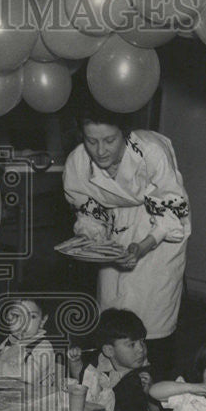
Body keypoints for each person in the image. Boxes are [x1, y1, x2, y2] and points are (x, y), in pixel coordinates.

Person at [62, 101, 191, 378]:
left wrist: (142, 246)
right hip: (116, 235)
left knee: (152, 320)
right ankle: (113, 395)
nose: (100, 150)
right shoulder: (78, 162)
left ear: (125, 133)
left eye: (109, 140)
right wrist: (92, 238)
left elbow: (172, 213)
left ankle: (155, 393)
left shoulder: (151, 151)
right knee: (114, 317)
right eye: (91, 141)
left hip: (157, 233)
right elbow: (88, 211)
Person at [67, 308, 159, 411]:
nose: (141, 349)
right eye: (132, 344)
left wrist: (151, 394)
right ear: (109, 351)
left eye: (142, 341)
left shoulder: (145, 375)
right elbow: (82, 381)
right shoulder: (98, 362)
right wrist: (75, 362)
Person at [0, 299, 57, 394]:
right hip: (9, 393)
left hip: (36, 399)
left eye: (32, 317)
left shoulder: (43, 346)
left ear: (42, 321)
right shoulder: (9, 341)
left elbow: (31, 375)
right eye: (16, 316)